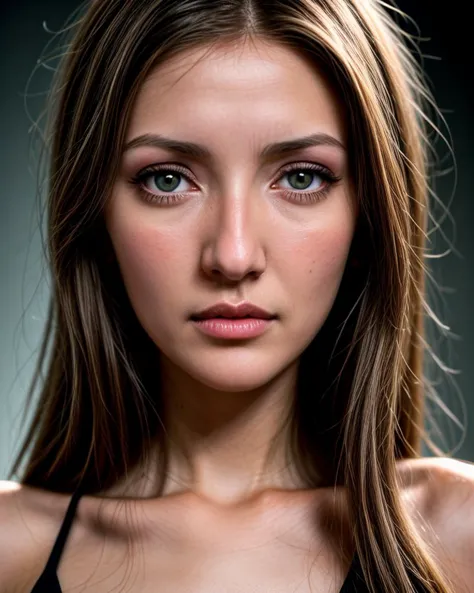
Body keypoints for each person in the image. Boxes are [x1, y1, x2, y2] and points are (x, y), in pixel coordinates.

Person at [0, 0, 473, 591]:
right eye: (167, 179)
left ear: (370, 215)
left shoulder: (457, 536)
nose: (233, 256)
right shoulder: (9, 549)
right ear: (94, 212)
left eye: (301, 177)